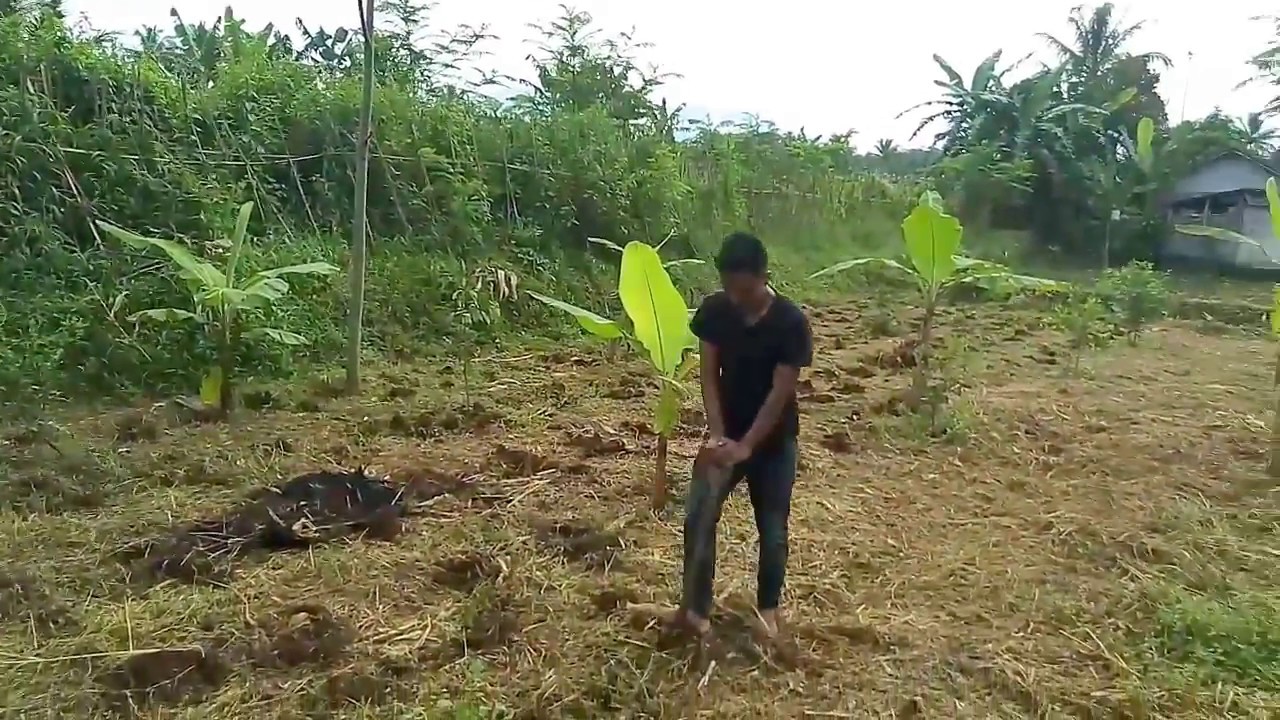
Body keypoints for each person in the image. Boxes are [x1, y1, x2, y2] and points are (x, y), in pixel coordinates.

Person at [674, 231, 813, 642]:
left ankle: (768, 609)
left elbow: (780, 393)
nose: (737, 298)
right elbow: (708, 376)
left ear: (764, 276)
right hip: (727, 434)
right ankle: (696, 609)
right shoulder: (716, 312)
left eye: (746, 290)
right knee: (699, 516)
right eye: (729, 288)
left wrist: (748, 446)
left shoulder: (790, 323)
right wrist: (718, 437)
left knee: (772, 530)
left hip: (772, 443)